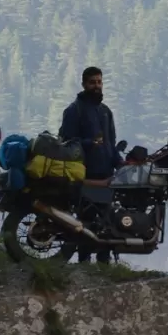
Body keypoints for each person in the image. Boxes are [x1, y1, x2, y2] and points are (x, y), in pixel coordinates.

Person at [60, 66, 122, 264]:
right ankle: (84, 263)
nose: (97, 86)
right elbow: (66, 142)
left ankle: (104, 265)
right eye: (92, 82)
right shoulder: (74, 110)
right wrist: (88, 143)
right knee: (85, 222)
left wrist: (121, 164)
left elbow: (111, 144)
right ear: (84, 84)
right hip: (85, 176)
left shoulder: (105, 112)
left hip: (106, 176)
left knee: (106, 222)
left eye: (99, 82)